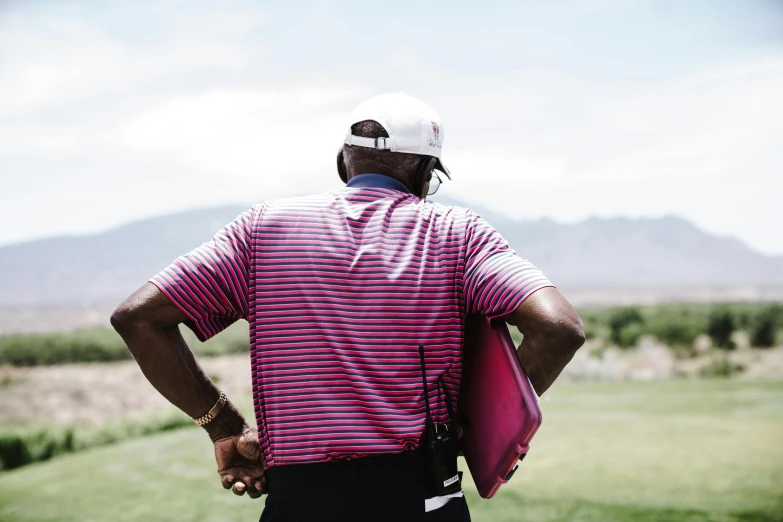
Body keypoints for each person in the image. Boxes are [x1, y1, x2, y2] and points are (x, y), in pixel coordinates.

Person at [111, 92, 585, 522]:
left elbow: (139, 318)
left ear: (344, 161)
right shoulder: (456, 232)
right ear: (425, 173)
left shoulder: (263, 229)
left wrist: (224, 426)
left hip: (299, 501)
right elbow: (558, 327)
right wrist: (479, 427)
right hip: (422, 496)